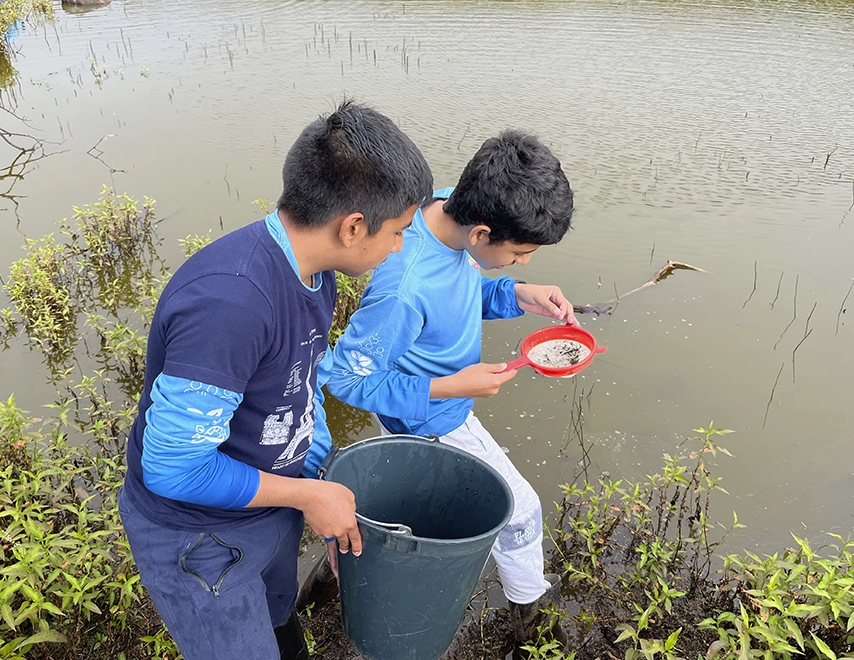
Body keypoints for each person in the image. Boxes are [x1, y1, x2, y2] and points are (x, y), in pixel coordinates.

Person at [117, 100, 433, 660]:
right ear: (353, 226)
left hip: (269, 506)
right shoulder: (230, 302)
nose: (400, 248)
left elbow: (297, 387)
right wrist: (310, 495)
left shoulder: (315, 270)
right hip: (201, 536)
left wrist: (326, 478)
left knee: (280, 622)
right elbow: (173, 468)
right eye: (400, 231)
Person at [321, 129, 576, 649]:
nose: (524, 260)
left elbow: (456, 295)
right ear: (482, 232)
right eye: (521, 253)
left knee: (398, 515)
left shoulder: (439, 215)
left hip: (442, 404)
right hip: (435, 420)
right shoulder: (405, 284)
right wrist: (449, 386)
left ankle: (330, 577)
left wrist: (515, 292)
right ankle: (532, 624)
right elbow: (344, 376)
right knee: (522, 513)